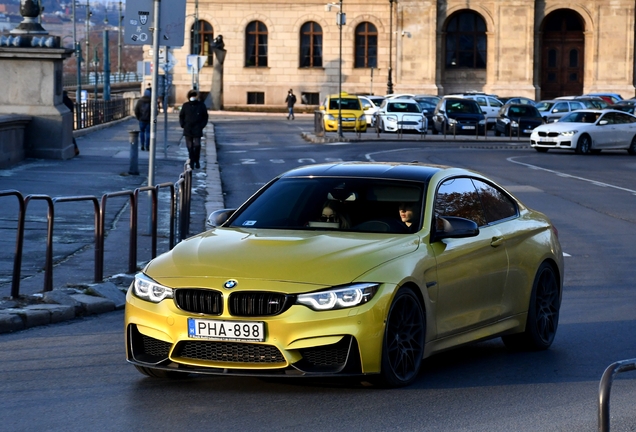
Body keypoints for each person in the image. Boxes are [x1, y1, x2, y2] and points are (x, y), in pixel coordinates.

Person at [179, 89, 209, 169]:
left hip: (197, 128)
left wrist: (202, 125)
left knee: (197, 145)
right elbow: (181, 115)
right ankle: (192, 161)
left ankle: (196, 160)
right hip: (188, 128)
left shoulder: (201, 105)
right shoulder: (186, 105)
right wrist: (183, 124)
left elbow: (205, 116)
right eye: (192, 96)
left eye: (194, 96)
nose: (193, 97)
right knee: (190, 146)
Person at [62, 91, 80, 156]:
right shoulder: (69, 101)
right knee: (69, 134)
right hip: (69, 120)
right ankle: (75, 148)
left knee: (68, 134)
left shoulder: (63, 101)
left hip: (65, 120)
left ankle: (75, 148)